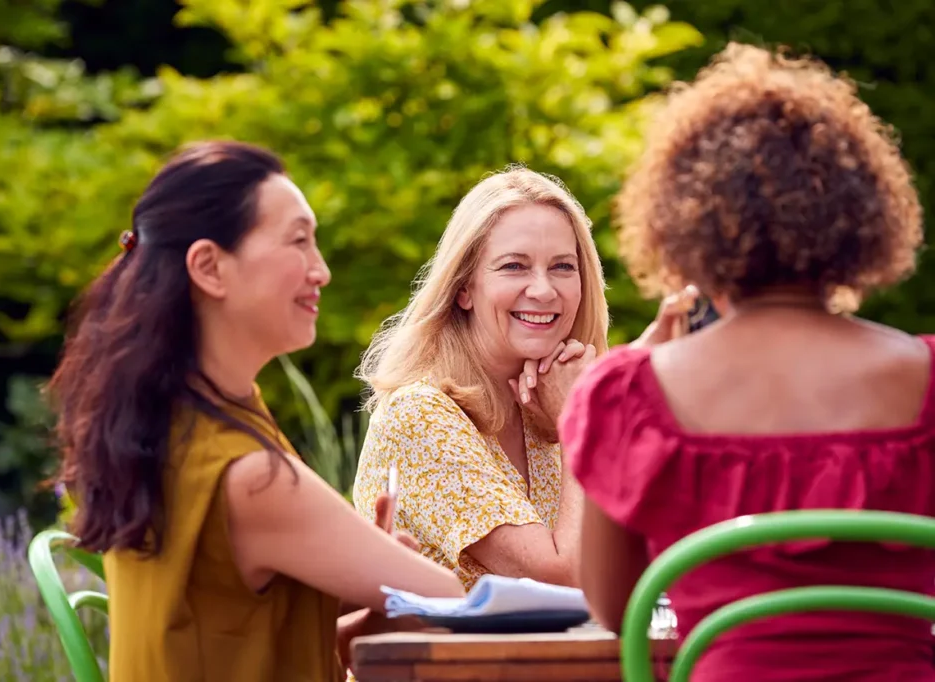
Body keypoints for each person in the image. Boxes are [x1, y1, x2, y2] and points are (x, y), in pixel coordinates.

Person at [560, 43, 932, 681]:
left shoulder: (630, 393)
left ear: (686, 224)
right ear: (859, 216)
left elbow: (617, 609)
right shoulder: (926, 378)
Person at [47, 141, 464, 682]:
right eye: (299, 242)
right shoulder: (247, 475)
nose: (323, 271)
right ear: (210, 267)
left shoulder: (174, 421)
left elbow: (222, 629)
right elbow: (446, 598)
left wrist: (350, 604)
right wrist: (374, 586)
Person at [351, 167, 611, 590]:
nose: (544, 290)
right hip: (450, 658)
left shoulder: (548, 403)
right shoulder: (420, 415)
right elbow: (565, 577)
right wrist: (580, 423)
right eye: (514, 266)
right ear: (464, 289)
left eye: (563, 266)